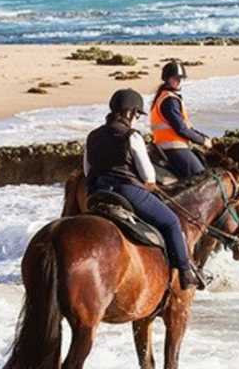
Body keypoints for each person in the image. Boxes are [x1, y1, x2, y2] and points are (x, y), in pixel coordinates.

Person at [84, 88, 203, 291]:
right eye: (138, 114)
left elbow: (87, 170)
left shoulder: (92, 136)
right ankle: (185, 273)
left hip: (98, 193)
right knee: (172, 222)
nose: (138, 119)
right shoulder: (132, 136)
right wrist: (150, 185)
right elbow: (148, 176)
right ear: (130, 112)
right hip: (126, 192)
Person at [150, 61, 211, 179]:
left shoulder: (163, 96)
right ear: (167, 79)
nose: (179, 81)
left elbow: (187, 127)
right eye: (175, 78)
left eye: (181, 78)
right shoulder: (170, 101)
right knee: (201, 177)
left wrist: (203, 137)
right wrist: (202, 141)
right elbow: (181, 129)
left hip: (169, 146)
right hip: (173, 148)